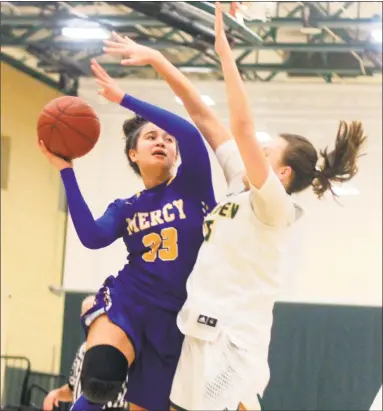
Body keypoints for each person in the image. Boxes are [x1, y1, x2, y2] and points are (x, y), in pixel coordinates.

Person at [104, 3, 367, 410]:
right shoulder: (236, 184)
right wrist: (158, 60)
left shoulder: (272, 206)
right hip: (199, 329)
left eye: (264, 151)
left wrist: (225, 52)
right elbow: (201, 113)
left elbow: (241, 126)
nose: (251, 149)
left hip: (233, 340)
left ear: (279, 174)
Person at [38, 61, 217, 411]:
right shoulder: (126, 207)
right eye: (151, 137)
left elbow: (192, 134)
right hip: (130, 301)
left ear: (177, 154)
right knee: (100, 380)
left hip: (176, 318)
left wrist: (124, 98)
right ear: (133, 154)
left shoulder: (192, 185)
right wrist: (66, 172)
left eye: (167, 139)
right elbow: (91, 236)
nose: (162, 141)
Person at [43, 296, 129, 411]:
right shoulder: (83, 349)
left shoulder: (115, 348)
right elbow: (72, 389)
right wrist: (56, 393)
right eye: (87, 316)